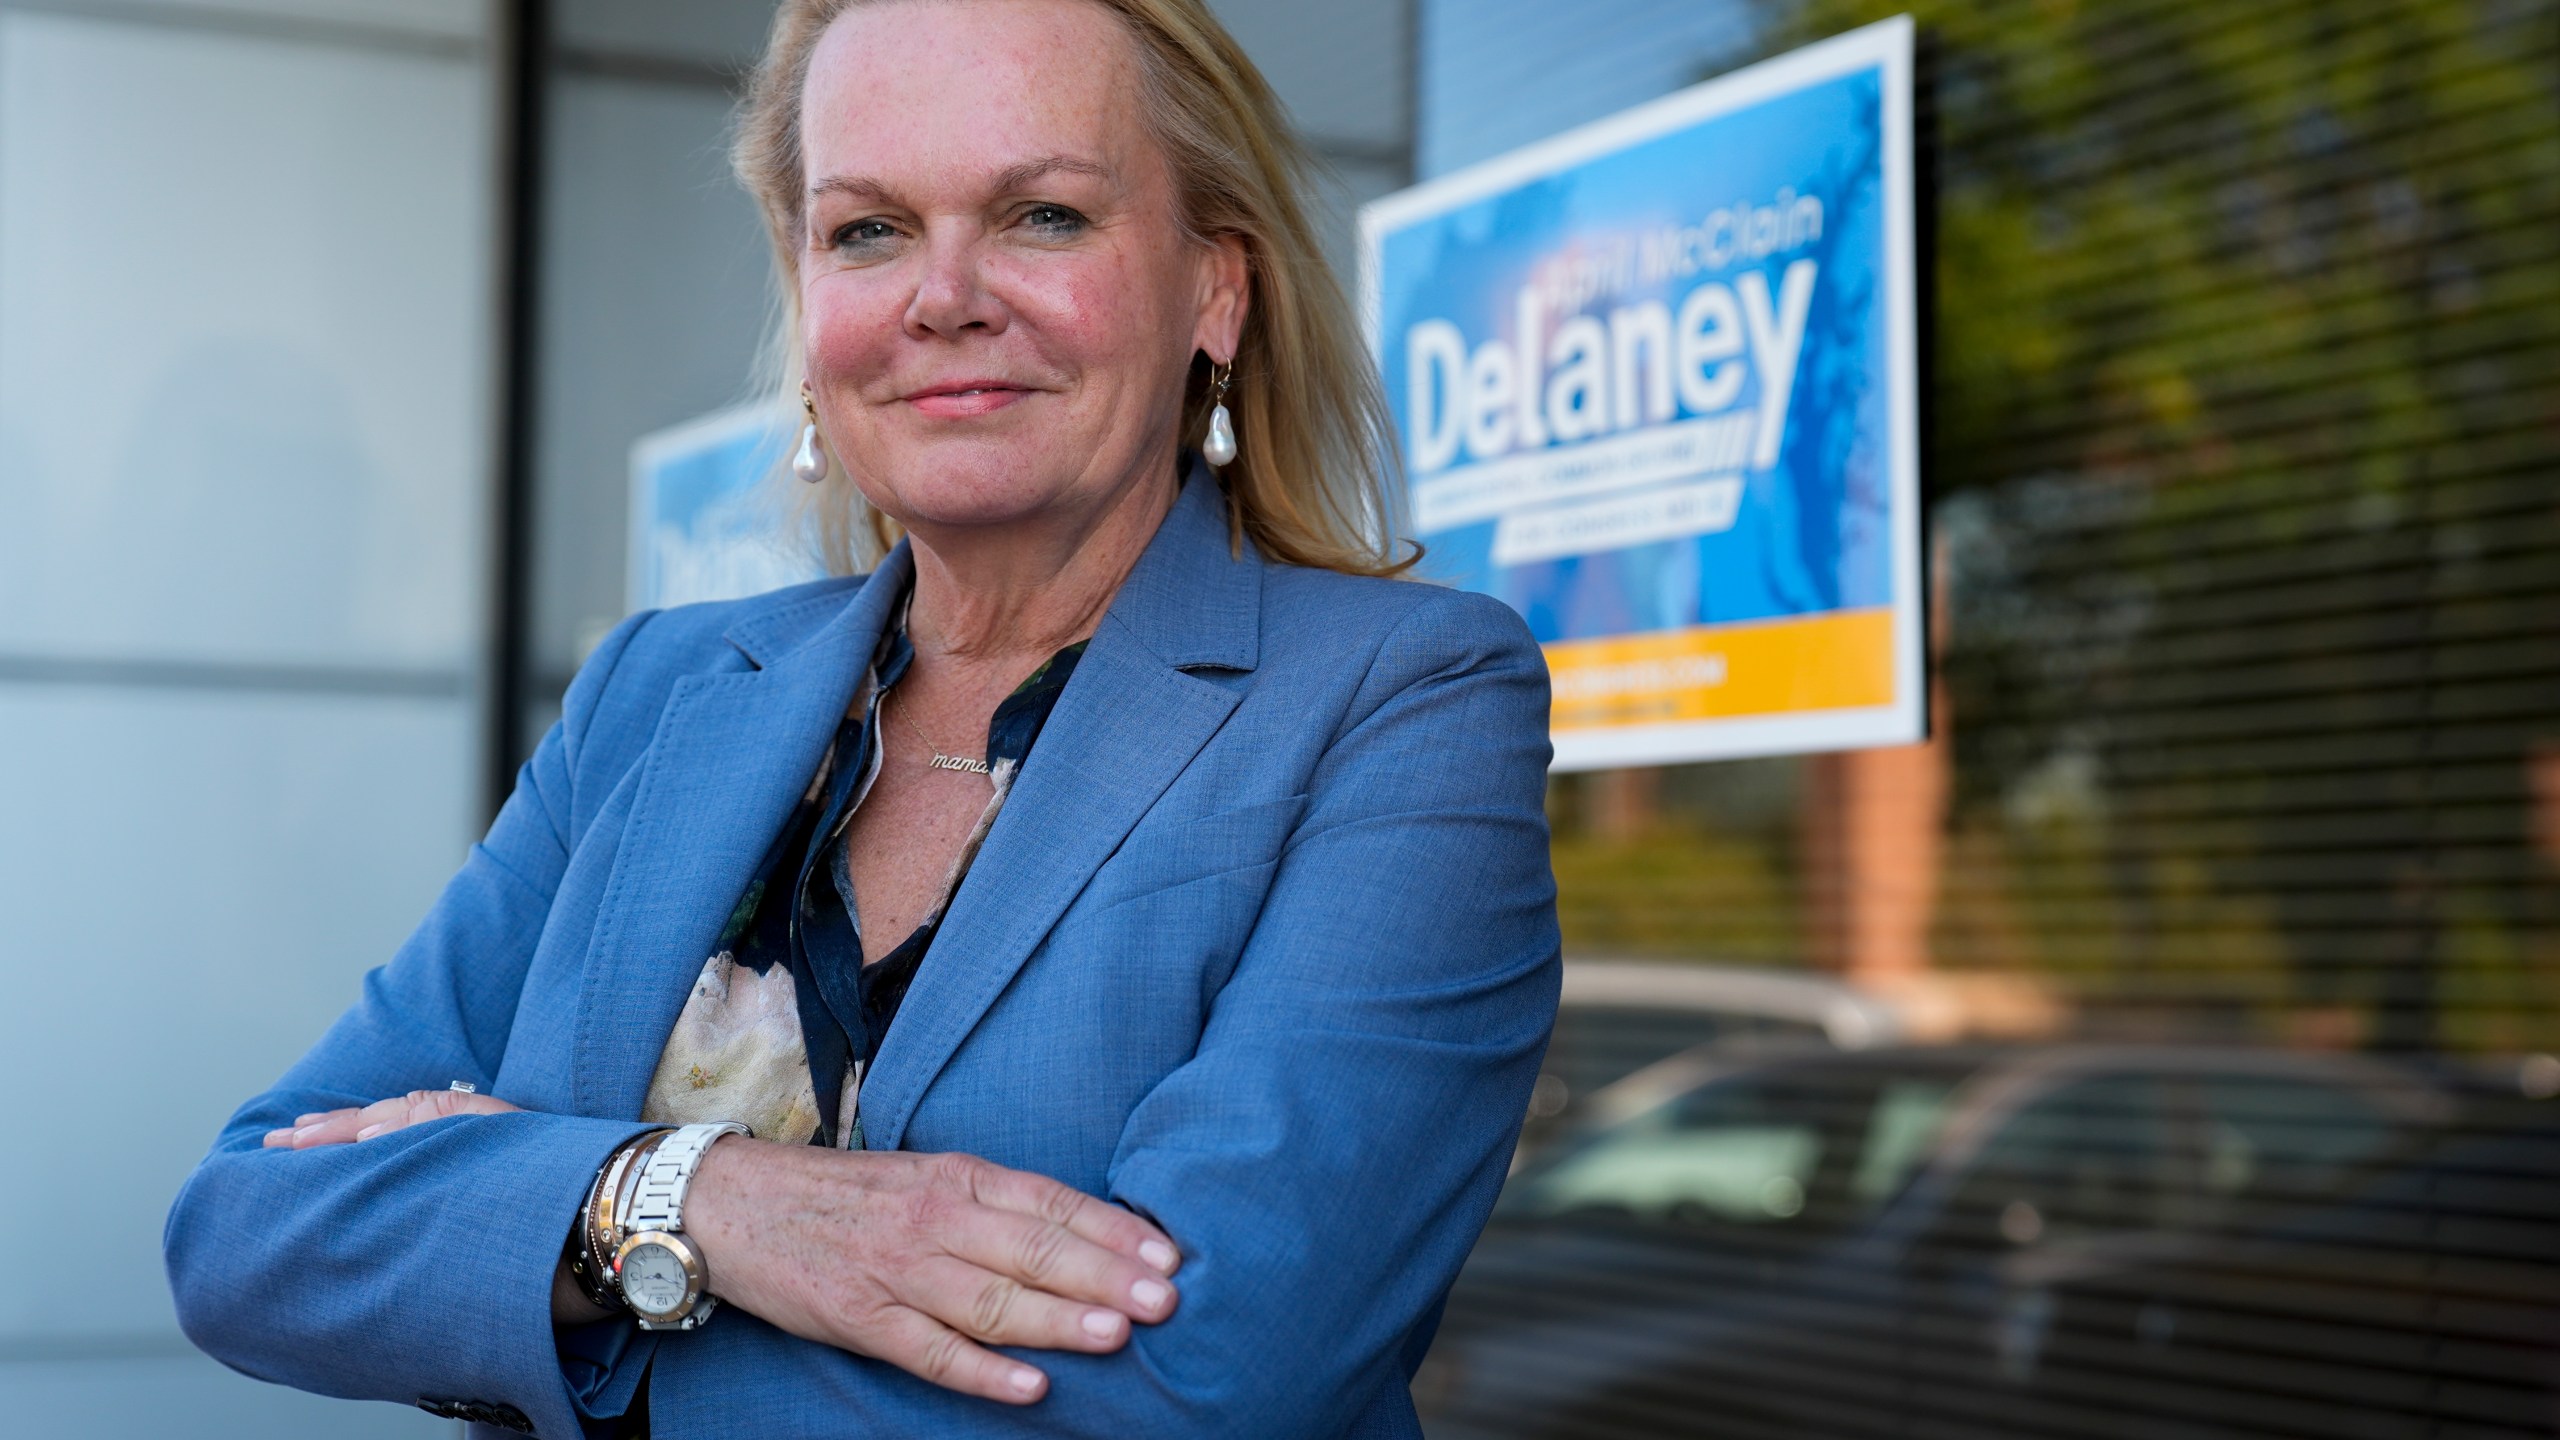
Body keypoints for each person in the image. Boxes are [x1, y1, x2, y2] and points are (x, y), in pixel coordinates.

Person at [163, 0, 1559, 1434]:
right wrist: (696, 1197)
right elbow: (251, 1226)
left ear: (1217, 289)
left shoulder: (1408, 700)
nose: (942, 297)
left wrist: (526, 1241)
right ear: (808, 300)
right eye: (869, 232)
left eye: (1043, 216)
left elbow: (1203, 1378)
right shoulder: (653, 695)